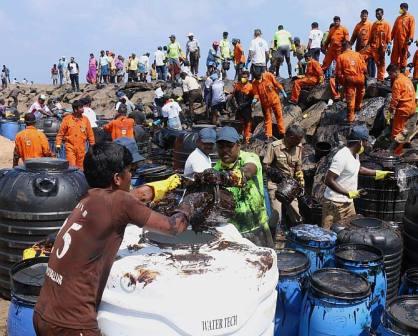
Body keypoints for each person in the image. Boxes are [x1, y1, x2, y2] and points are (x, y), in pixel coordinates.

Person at [34, 141, 205, 335]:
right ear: (117, 178)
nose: (132, 176)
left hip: (42, 312)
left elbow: (135, 196)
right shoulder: (120, 202)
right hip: (72, 323)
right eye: (129, 171)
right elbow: (173, 227)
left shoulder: (88, 197)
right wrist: (189, 205)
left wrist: (165, 185)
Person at [210, 126, 273, 247]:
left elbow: (249, 171)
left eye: (229, 146)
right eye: (221, 146)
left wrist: (224, 178)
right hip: (233, 231)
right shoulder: (216, 169)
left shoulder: (249, 158)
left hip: (257, 226)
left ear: (238, 145)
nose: (225, 150)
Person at [323, 126, 393, 229]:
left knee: (351, 230)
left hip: (348, 203)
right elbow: (328, 180)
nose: (367, 145)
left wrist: (380, 173)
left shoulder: (355, 155)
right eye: (366, 141)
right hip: (334, 204)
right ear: (360, 142)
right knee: (328, 234)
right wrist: (348, 193)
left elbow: (359, 169)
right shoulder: (342, 156)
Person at [263, 125, 305, 230]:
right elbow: (265, 165)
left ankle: (298, 233)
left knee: (296, 213)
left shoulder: (299, 147)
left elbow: (298, 166)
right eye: (297, 140)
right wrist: (275, 174)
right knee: (276, 215)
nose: (299, 142)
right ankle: (272, 236)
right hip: (275, 184)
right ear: (290, 137)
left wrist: (300, 175)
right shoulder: (274, 146)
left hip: (290, 185)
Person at [332, 41, 367, 123]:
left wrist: (341, 82)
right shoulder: (358, 55)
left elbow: (338, 73)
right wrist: (365, 76)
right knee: (361, 91)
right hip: (360, 78)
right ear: (350, 47)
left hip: (349, 79)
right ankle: (358, 106)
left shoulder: (340, 57)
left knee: (350, 98)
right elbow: (365, 69)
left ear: (343, 48)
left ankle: (351, 118)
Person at [386, 64, 417, 155]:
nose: (390, 77)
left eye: (390, 74)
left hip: (403, 108)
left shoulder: (397, 82)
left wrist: (391, 109)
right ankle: (407, 145)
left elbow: (395, 98)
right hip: (412, 107)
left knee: (397, 131)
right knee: (406, 129)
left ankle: (396, 152)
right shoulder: (407, 79)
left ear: (395, 72)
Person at [56, 100, 95, 169]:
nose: (83, 109)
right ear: (75, 109)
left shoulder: (85, 120)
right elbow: (60, 134)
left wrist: (93, 146)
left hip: (82, 148)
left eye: (82, 107)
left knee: (81, 168)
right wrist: (58, 145)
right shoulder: (67, 119)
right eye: (81, 107)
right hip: (70, 147)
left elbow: (90, 134)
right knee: (72, 167)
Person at [251, 70, 286, 139]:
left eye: (259, 77)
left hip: (275, 100)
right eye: (257, 79)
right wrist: (254, 100)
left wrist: (282, 91)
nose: (259, 80)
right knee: (267, 119)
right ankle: (268, 135)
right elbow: (256, 94)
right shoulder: (254, 83)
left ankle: (282, 133)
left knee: (279, 116)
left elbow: (276, 83)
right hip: (265, 104)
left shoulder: (269, 75)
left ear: (261, 74)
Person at [360, 8, 391, 82]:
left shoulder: (386, 24)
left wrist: (389, 47)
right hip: (372, 47)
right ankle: (362, 74)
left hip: (381, 49)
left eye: (379, 14)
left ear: (382, 14)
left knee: (380, 65)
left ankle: (380, 80)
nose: (377, 15)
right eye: (376, 14)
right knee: (360, 56)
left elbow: (389, 37)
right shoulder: (374, 24)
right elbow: (370, 36)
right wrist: (366, 46)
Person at [391, 3, 415, 70]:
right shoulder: (398, 18)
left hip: (404, 41)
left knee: (403, 57)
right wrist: (389, 40)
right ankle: (394, 72)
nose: (400, 9)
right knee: (394, 57)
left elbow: (412, 29)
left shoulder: (410, 18)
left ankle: (402, 73)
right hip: (396, 41)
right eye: (400, 8)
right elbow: (393, 30)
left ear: (406, 8)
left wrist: (410, 39)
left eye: (401, 8)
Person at [350, 9, 374, 77]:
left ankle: (370, 77)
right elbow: (353, 36)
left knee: (369, 62)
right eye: (363, 16)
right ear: (360, 16)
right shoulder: (358, 25)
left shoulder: (370, 24)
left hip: (367, 48)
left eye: (365, 16)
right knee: (359, 63)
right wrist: (350, 45)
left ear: (367, 16)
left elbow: (373, 36)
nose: (364, 17)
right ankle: (360, 76)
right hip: (359, 48)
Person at [232, 70, 253, 143]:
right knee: (238, 124)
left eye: (245, 77)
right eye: (242, 77)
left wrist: (244, 105)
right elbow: (233, 96)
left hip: (246, 109)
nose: (243, 78)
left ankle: (246, 140)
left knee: (247, 124)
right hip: (238, 109)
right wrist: (236, 105)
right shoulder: (238, 85)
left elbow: (251, 100)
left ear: (248, 78)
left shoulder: (250, 87)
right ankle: (238, 140)